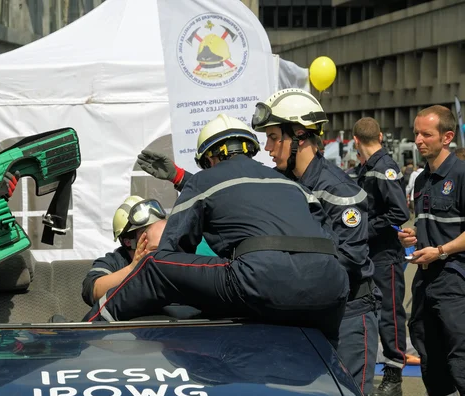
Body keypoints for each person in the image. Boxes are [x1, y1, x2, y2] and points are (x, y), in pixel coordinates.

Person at [84, 114, 349, 346]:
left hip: (262, 278)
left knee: (155, 265)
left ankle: (81, 332)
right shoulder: (293, 186)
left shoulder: (203, 181)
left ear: (210, 157)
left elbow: (170, 252)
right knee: (326, 362)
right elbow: (330, 238)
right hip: (331, 284)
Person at [251, 88, 378, 395]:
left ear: (299, 136)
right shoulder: (284, 183)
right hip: (307, 314)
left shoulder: (338, 189)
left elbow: (349, 259)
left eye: (272, 137)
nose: (267, 147)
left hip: (347, 317)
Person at [398, 105, 465, 396]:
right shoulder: (422, 180)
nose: (419, 140)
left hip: (455, 280)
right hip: (425, 283)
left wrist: (440, 251)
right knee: (428, 354)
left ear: (447, 137)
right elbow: (436, 224)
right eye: (416, 133)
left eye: (426, 134)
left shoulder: (461, 175)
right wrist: (415, 234)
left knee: (460, 356)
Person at [353, 117, 410, 396]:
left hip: (385, 254)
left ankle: (394, 376)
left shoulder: (384, 168)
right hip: (370, 253)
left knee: (390, 315)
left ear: (355, 141)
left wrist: (364, 228)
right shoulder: (366, 168)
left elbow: (400, 212)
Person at [81, 195, 166, 307]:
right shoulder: (116, 261)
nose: (156, 233)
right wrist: (133, 268)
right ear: (128, 241)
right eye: (145, 231)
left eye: (157, 226)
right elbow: (92, 290)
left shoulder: (175, 254)